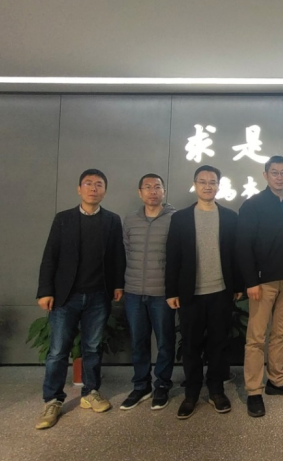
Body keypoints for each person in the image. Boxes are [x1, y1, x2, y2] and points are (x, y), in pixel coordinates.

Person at [35, 169, 125, 430]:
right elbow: (50, 255)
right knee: (57, 351)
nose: (93, 188)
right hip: (66, 296)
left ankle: (90, 392)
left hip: (98, 295)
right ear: (79, 189)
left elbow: (117, 255)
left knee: (93, 347)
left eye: (99, 184)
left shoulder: (111, 220)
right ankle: (52, 399)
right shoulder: (64, 219)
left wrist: (117, 284)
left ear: (104, 190)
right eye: (88, 184)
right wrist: (45, 290)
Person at [165, 165, 242, 420]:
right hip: (191, 294)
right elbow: (172, 257)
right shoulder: (181, 218)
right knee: (190, 345)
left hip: (220, 291)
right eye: (202, 181)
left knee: (218, 345)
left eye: (212, 182)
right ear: (195, 185)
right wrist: (171, 291)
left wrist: (238, 286)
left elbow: (235, 255)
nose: (208, 186)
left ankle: (216, 391)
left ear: (218, 186)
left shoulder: (229, 217)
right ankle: (191, 394)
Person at [237, 156, 283, 418]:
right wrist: (251, 281)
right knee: (256, 338)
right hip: (262, 282)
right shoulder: (253, 204)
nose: (279, 177)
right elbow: (243, 245)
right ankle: (254, 390)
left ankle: (276, 379)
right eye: (274, 172)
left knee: (281, 333)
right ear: (265, 175)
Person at [119, 174, 176, 411]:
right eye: (148, 187)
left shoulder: (174, 219)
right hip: (133, 291)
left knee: (165, 342)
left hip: (161, 292)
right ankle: (141, 386)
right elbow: (125, 252)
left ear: (164, 191)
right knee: (139, 342)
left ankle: (162, 384)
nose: (153, 191)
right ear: (140, 192)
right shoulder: (130, 219)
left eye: (157, 187)